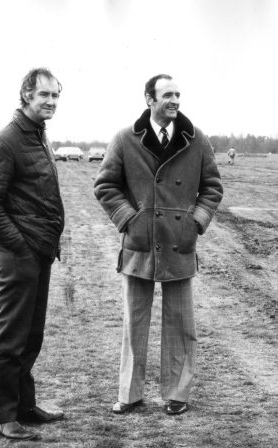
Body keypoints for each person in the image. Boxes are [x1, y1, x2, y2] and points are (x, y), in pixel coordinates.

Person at [94, 74, 223, 415]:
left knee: (181, 322)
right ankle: (129, 393)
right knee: (134, 321)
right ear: (149, 99)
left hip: (180, 243)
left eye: (179, 94)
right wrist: (128, 219)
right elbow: (105, 185)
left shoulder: (196, 141)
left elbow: (212, 187)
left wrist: (196, 221)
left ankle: (177, 394)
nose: (175, 100)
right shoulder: (125, 139)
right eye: (168, 94)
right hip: (139, 243)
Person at [0, 68, 65, 440]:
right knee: (11, 336)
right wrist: (20, 246)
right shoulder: (7, 140)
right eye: (44, 95)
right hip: (21, 253)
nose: (51, 102)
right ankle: (0, 416)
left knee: (31, 336)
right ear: (26, 94)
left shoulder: (38, 135)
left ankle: (24, 406)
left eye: (56, 96)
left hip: (38, 252)